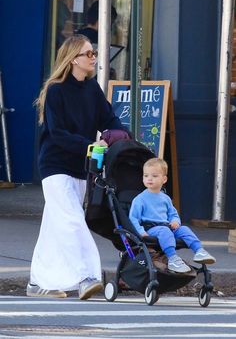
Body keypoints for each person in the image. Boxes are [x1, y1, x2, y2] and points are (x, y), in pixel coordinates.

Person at [27, 35, 127, 300]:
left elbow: (109, 119)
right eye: (89, 53)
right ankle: (88, 276)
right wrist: (89, 146)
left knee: (55, 224)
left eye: (94, 53)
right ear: (73, 59)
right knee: (71, 220)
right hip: (55, 165)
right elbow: (57, 133)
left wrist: (124, 136)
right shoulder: (55, 90)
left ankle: (37, 282)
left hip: (80, 167)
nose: (94, 57)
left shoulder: (92, 89)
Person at [129, 158, 216, 273]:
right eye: (146, 175)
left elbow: (172, 213)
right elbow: (133, 218)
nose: (149, 178)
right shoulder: (140, 199)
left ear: (164, 179)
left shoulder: (165, 198)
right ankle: (173, 258)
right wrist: (140, 231)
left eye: (154, 176)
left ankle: (199, 251)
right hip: (151, 228)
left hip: (167, 227)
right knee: (164, 231)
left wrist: (175, 221)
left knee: (184, 229)